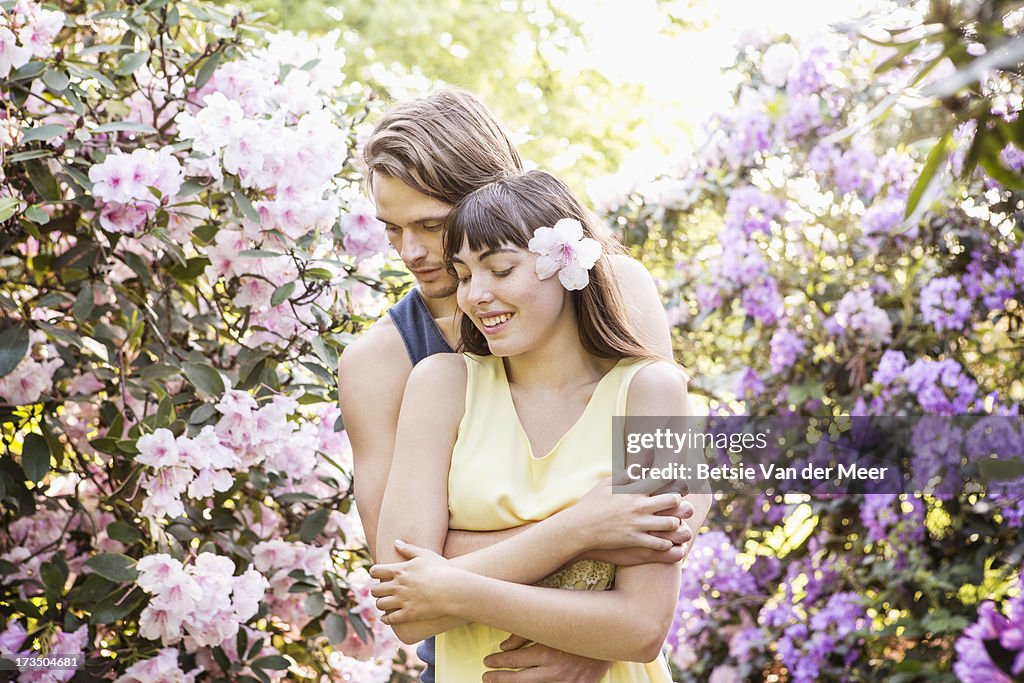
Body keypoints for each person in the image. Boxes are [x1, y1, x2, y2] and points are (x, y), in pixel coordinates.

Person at [337, 89, 696, 682]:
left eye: (430, 224)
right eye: (392, 228)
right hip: (474, 662)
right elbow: (403, 572)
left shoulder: (621, 290)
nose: (412, 252)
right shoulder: (384, 363)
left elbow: (677, 501)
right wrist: (584, 532)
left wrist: (596, 637)